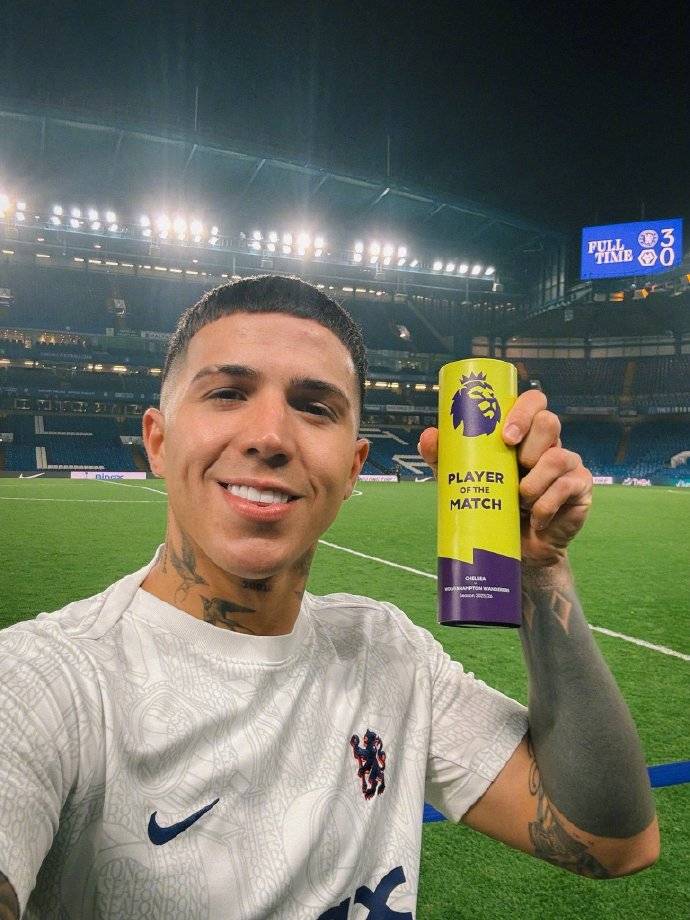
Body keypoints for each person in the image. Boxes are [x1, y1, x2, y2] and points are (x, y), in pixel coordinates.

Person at [0, 276, 658, 919]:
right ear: (159, 442)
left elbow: (610, 841)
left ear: (352, 468)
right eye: (228, 393)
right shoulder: (44, 681)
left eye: (315, 407)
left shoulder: (386, 653)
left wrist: (540, 572)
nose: (269, 436)